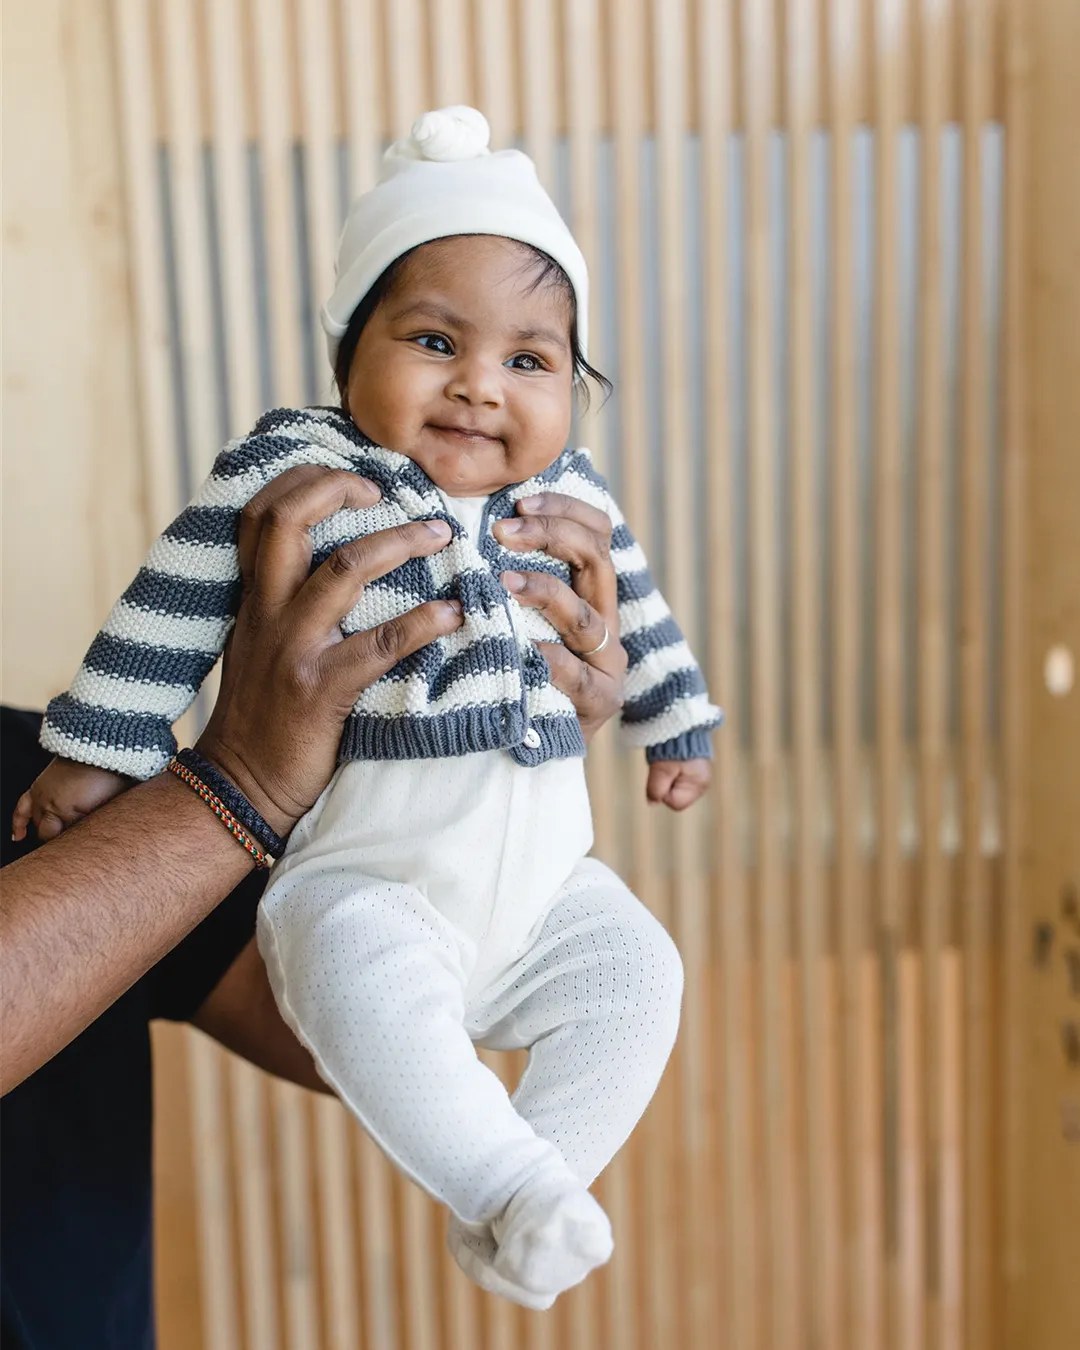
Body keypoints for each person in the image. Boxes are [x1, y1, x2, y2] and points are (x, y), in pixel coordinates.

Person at [16, 106, 722, 1310]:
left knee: (640, 975)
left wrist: (672, 718)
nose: (480, 388)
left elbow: (639, 612)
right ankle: (504, 1187)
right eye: (435, 340)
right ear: (351, 351)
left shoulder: (573, 493)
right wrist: (98, 749)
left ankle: (534, 1187)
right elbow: (175, 602)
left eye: (530, 360)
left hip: (549, 884)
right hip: (374, 881)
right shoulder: (303, 471)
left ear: (575, 383)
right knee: (353, 969)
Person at [1, 467, 624, 1350]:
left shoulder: (28, 768)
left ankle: (529, 1197)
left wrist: (487, 795)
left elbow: (357, 1022)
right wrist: (240, 780)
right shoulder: (80, 769)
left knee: (641, 975)